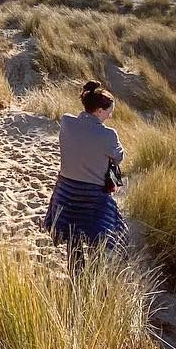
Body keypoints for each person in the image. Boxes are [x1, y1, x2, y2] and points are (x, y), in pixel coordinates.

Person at [44, 81, 126, 272]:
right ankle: (94, 276)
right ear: (98, 110)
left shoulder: (66, 122)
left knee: (73, 236)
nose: (110, 115)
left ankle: (76, 273)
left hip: (65, 192)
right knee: (103, 233)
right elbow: (119, 157)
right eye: (108, 111)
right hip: (92, 195)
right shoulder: (108, 135)